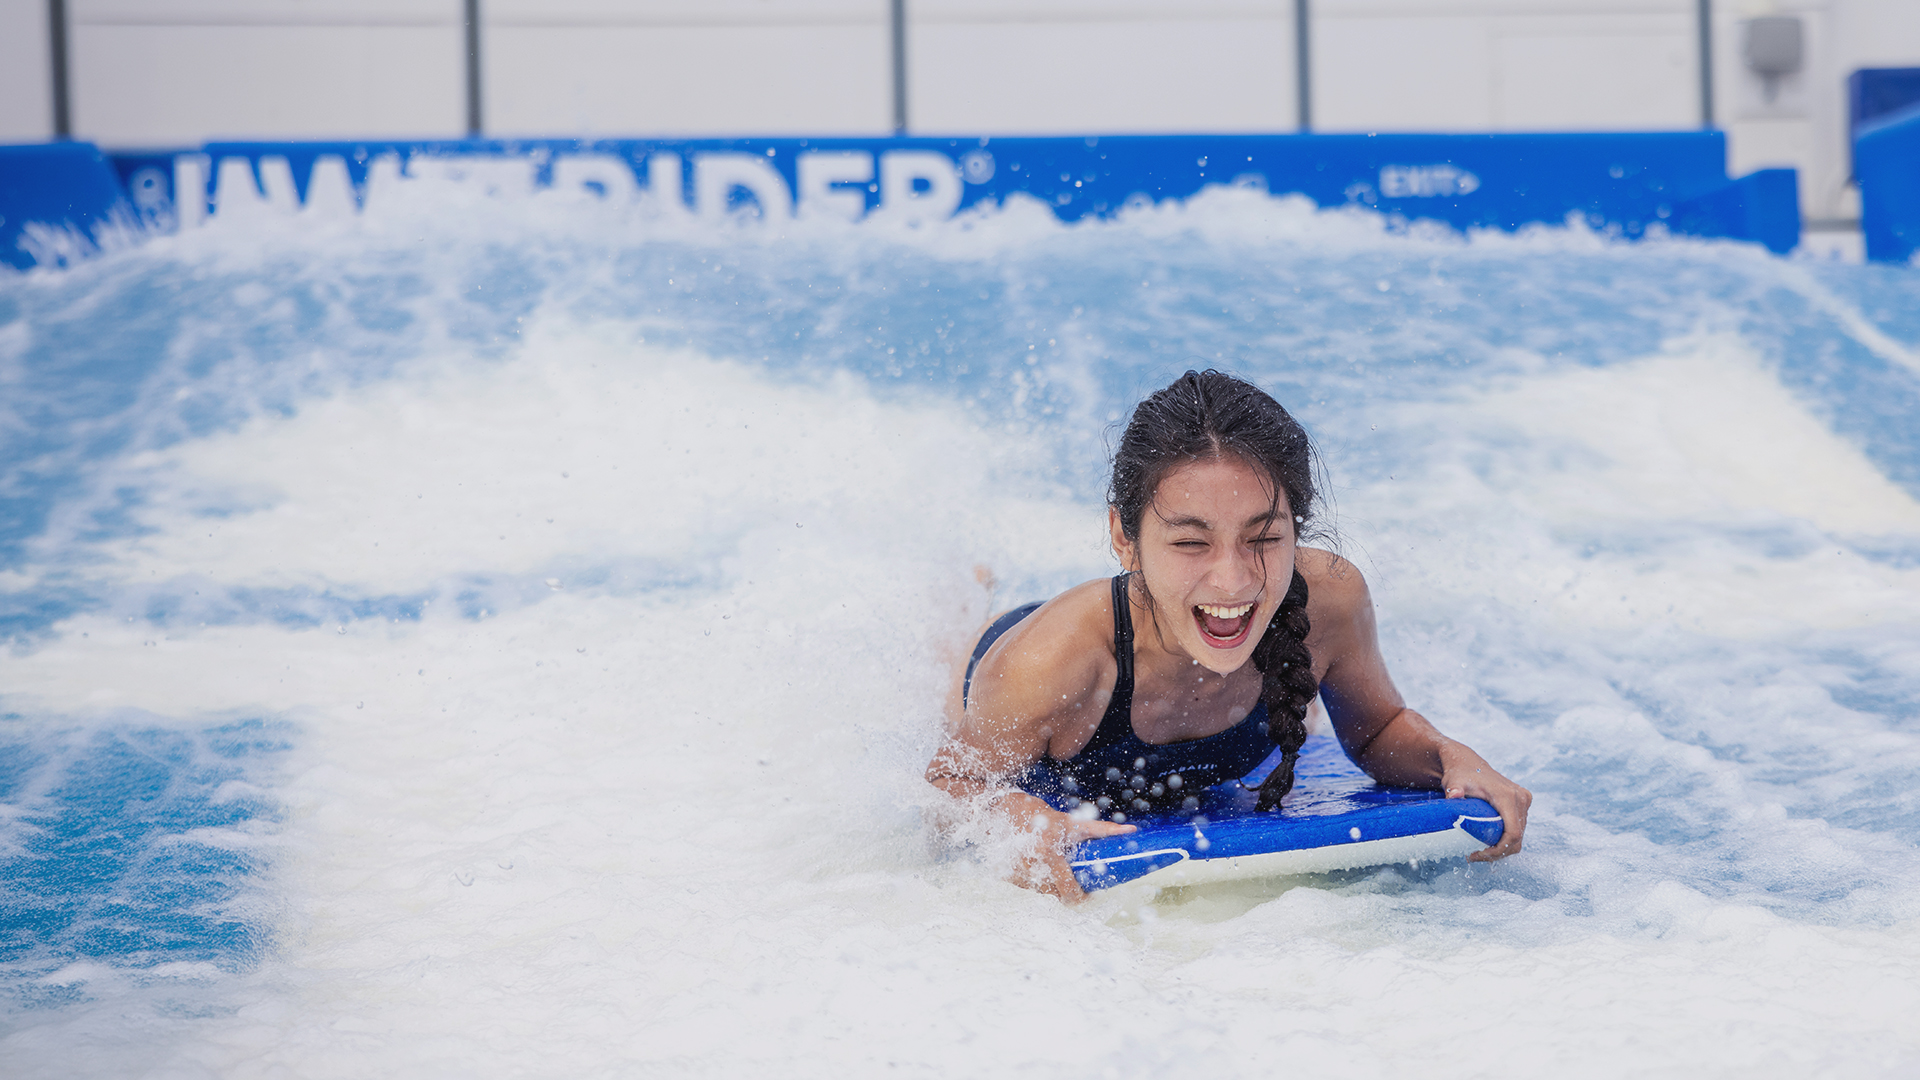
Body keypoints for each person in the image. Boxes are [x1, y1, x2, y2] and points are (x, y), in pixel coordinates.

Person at [926, 369, 1531, 902]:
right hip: (1022, 656)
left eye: (1264, 538)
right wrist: (1015, 819)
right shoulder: (1049, 662)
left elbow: (1375, 731)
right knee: (947, 667)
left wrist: (1449, 756)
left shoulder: (1329, 599)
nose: (1234, 578)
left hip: (1157, 610)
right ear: (1123, 536)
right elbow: (948, 783)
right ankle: (966, 599)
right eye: (1191, 541)